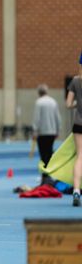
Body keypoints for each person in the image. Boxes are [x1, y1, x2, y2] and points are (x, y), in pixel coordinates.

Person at [32, 84, 61, 183]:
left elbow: (37, 118)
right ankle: (48, 174)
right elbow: (58, 117)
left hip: (42, 133)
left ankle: (45, 176)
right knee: (49, 153)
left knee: (43, 154)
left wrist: (35, 131)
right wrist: (58, 130)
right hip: (52, 132)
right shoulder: (53, 102)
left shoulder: (39, 102)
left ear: (39, 93)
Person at [67, 53, 82, 206]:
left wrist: (78, 103)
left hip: (78, 123)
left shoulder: (76, 81)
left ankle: (76, 190)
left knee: (80, 157)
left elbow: (67, 104)